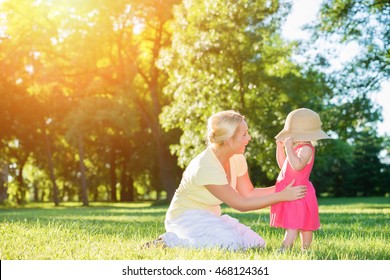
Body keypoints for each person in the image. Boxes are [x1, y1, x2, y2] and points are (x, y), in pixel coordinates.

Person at [150, 110, 307, 250]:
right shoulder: (206, 166)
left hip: (211, 217)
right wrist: (282, 196)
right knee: (231, 244)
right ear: (229, 140)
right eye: (244, 134)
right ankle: (169, 242)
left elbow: (248, 194)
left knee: (257, 244)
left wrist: (284, 188)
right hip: (185, 218)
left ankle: (203, 237)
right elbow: (241, 204)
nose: (249, 137)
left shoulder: (237, 158)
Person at [270, 108, 330, 251]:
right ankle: (304, 251)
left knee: (299, 226)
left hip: (299, 193)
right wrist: (280, 148)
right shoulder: (297, 148)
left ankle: (287, 250)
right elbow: (284, 165)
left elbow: (297, 165)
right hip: (291, 191)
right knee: (298, 224)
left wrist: (289, 148)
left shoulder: (307, 149)